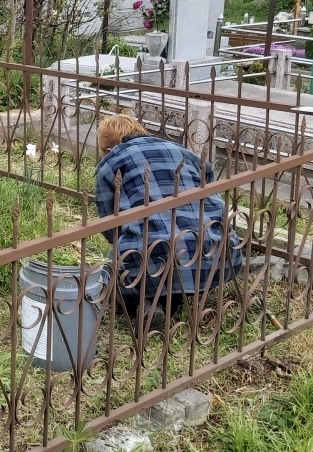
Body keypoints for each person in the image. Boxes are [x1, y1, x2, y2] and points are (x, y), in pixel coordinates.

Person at [94, 114, 242, 329]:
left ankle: (148, 302)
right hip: (217, 250)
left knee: (112, 269)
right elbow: (210, 190)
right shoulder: (184, 152)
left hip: (157, 255)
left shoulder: (110, 163)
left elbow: (110, 225)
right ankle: (176, 296)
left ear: (108, 149)